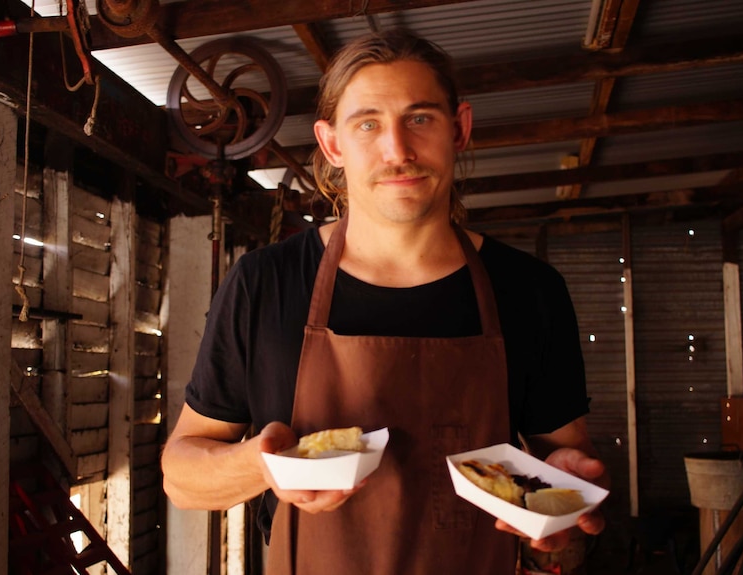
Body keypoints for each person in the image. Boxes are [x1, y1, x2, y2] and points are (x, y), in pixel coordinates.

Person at [161, 29, 608, 575]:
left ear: (459, 129)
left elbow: (568, 471)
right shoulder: (264, 284)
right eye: (368, 123)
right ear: (332, 145)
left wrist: (564, 503)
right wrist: (259, 466)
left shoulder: (531, 290)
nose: (397, 150)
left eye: (420, 118)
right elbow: (181, 476)